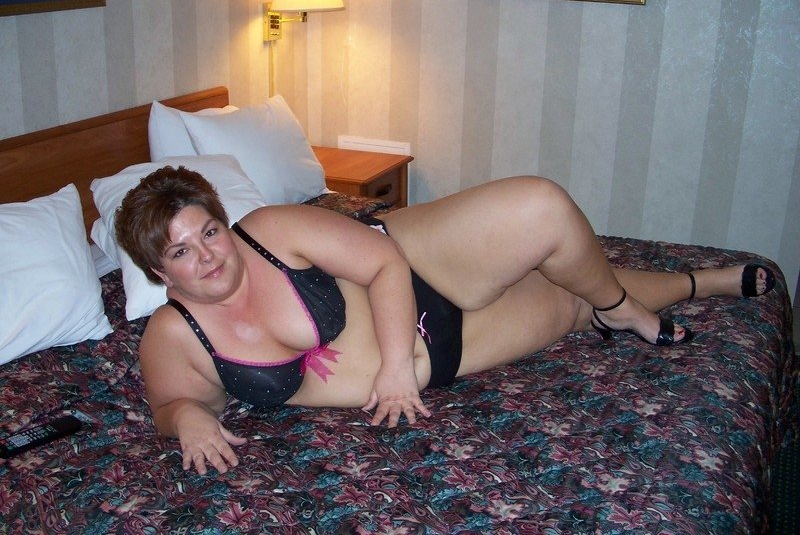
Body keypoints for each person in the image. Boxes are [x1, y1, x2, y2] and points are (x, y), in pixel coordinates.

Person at [115, 166, 776, 476]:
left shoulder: (267, 232)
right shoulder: (174, 335)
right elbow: (171, 405)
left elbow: (382, 263)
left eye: (209, 231)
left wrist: (395, 367)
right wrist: (189, 418)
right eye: (181, 251)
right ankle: (699, 282)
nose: (208, 255)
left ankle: (622, 303)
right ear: (158, 272)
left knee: (543, 206)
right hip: (452, 354)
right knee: (571, 302)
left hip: (420, 269)